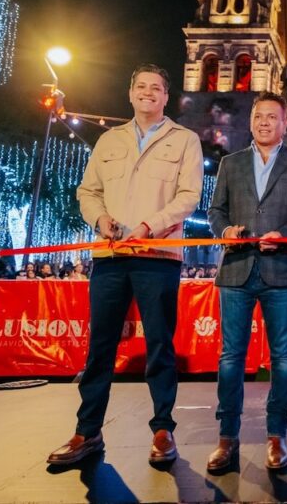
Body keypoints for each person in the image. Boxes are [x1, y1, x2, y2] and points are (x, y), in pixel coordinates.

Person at [48, 63, 203, 466]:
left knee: (159, 347)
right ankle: (87, 432)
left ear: (167, 97)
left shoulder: (184, 140)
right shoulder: (109, 140)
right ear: (130, 93)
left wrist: (152, 225)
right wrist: (100, 220)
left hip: (159, 257)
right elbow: (88, 192)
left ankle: (163, 430)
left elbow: (190, 196)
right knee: (99, 348)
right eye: (141, 87)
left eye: (157, 88)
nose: (148, 93)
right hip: (110, 256)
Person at [206, 91, 287, 472]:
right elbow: (215, 210)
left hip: (282, 270)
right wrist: (225, 230)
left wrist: (282, 233)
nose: (265, 122)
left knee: (283, 358)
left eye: (273, 116)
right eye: (259, 117)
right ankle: (227, 438)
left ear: (284, 124)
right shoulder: (231, 163)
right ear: (252, 122)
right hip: (237, 269)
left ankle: (277, 435)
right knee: (230, 358)